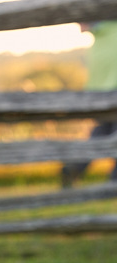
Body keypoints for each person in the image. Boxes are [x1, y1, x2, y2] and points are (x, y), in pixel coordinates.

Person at [62, 21, 117, 187]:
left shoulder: (99, 41)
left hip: (98, 94)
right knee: (108, 134)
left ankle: (74, 167)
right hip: (113, 91)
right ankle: (114, 179)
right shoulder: (111, 34)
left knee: (101, 133)